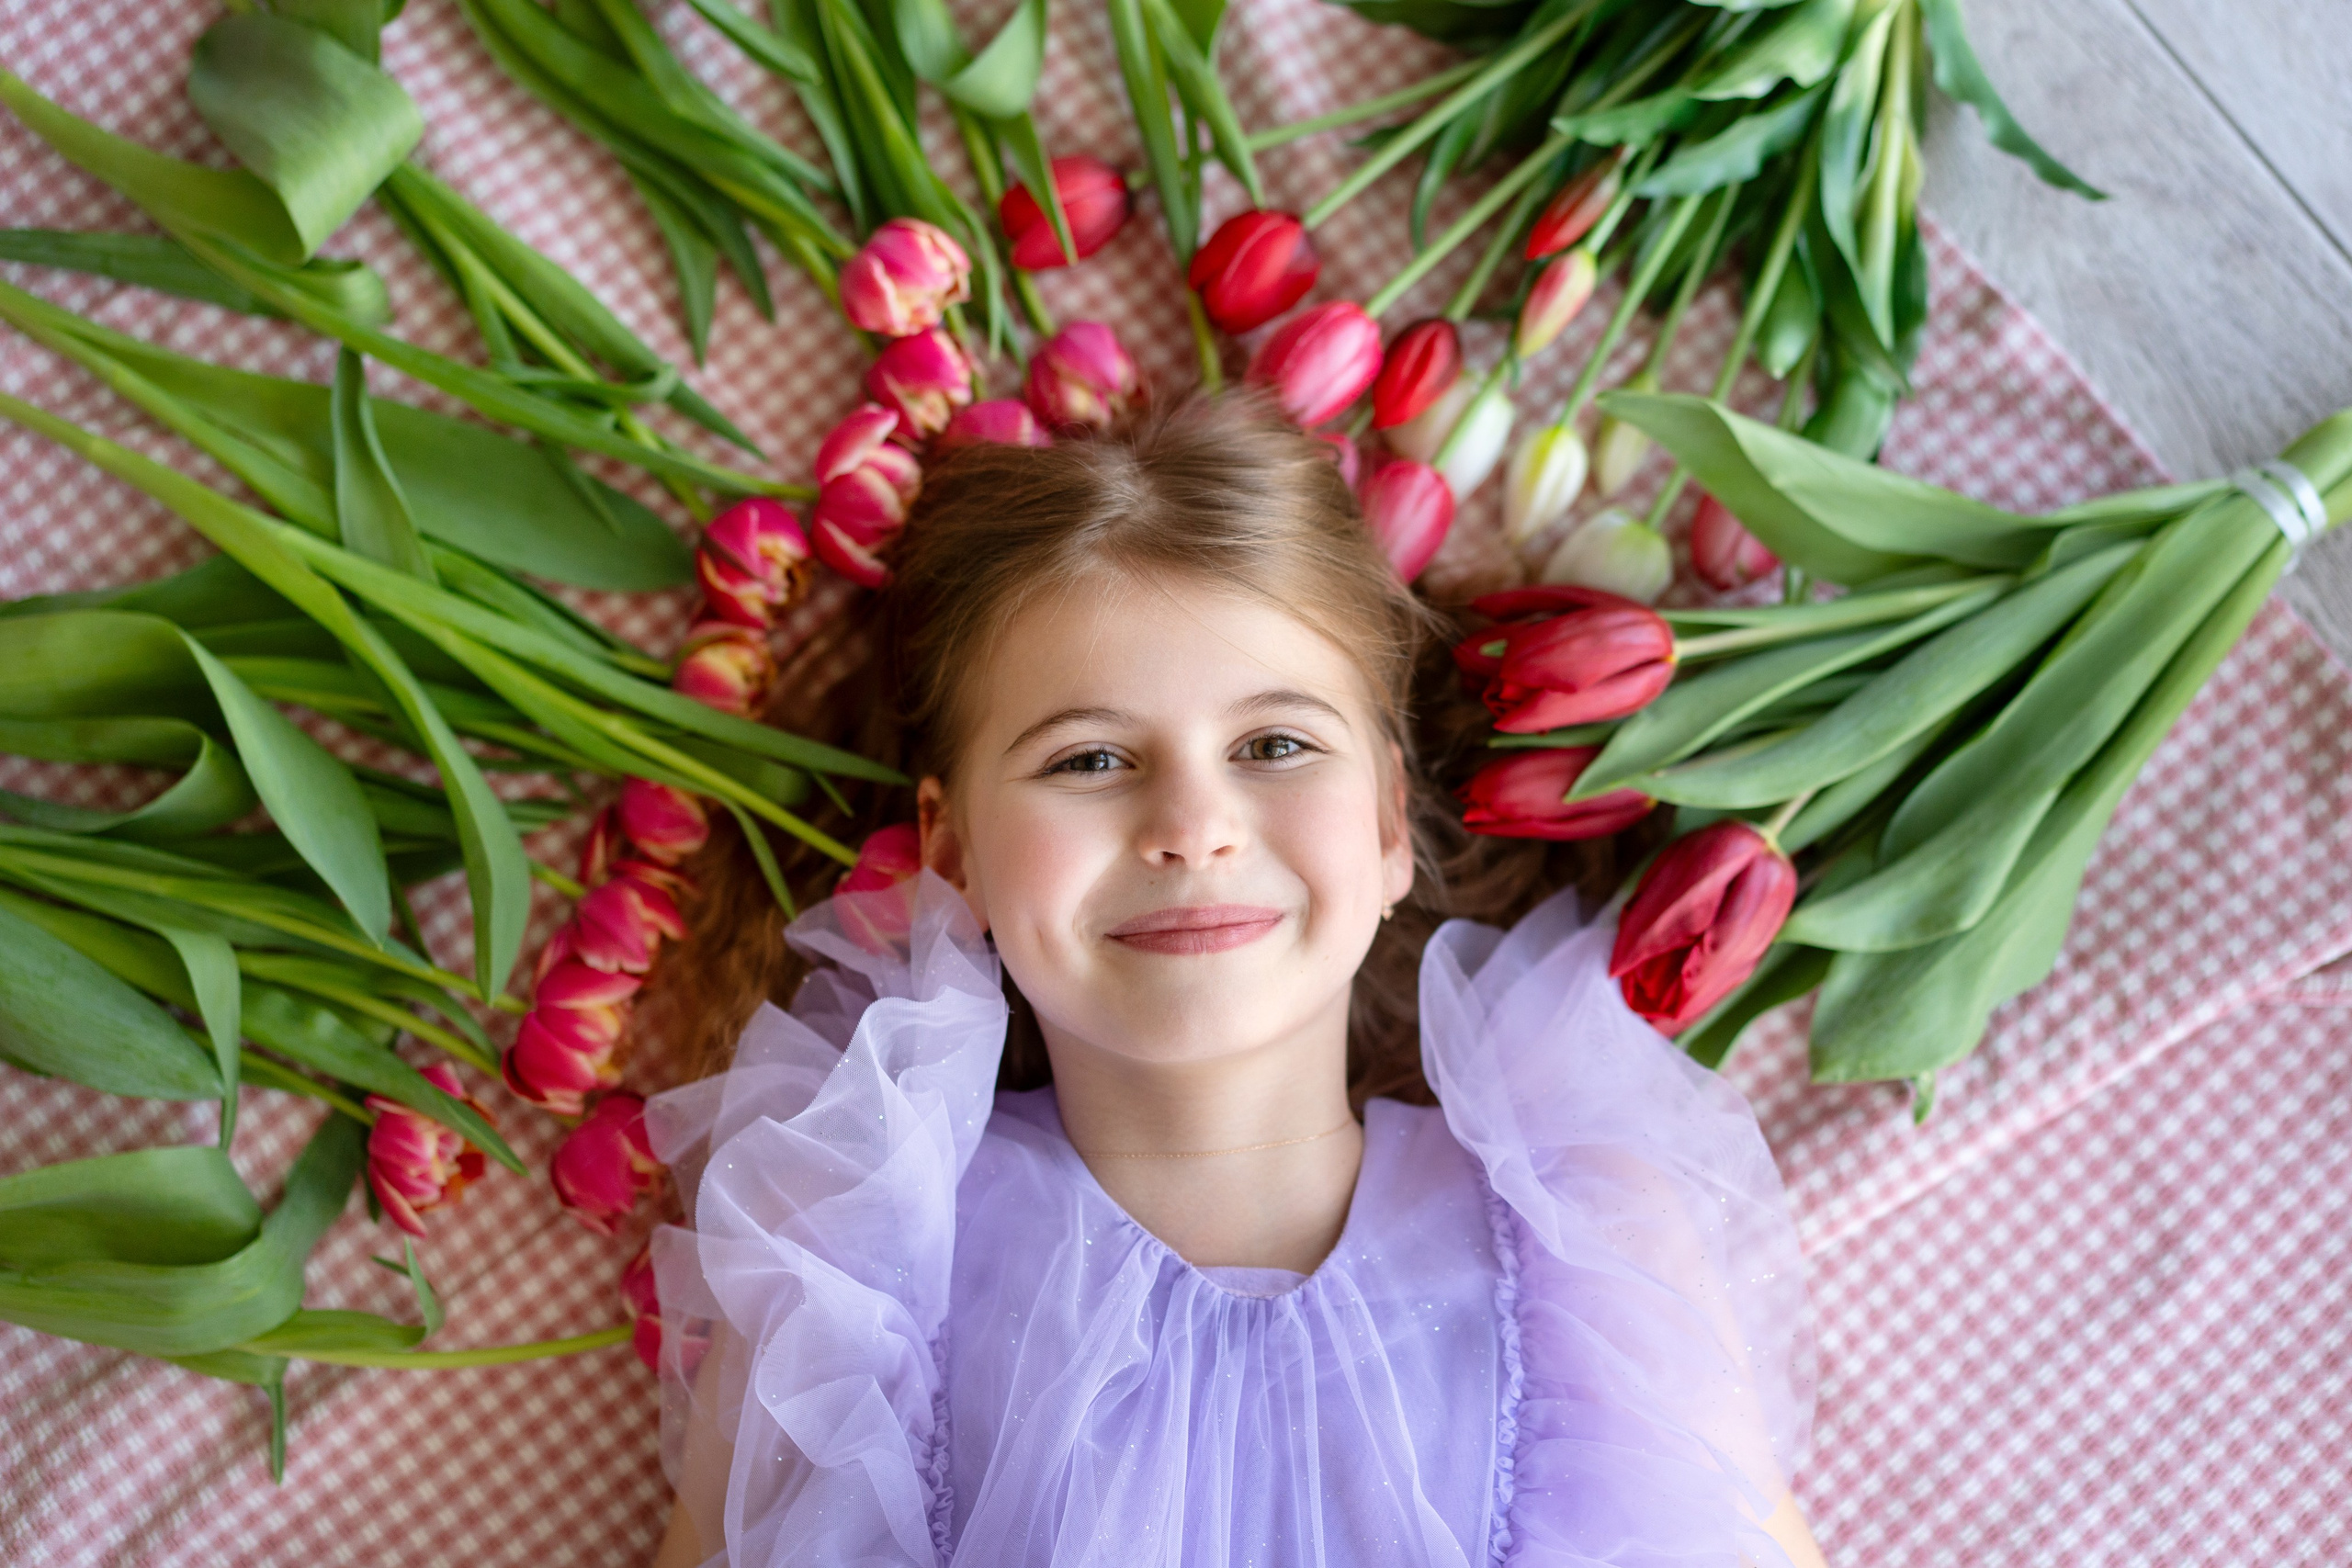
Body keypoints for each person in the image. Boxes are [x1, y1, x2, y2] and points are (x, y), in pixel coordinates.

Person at [640, 391, 1826, 1567]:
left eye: (1274, 746)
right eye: (1089, 759)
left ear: (1386, 825)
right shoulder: (860, 1262)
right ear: (953, 857)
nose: (1193, 827)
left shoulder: (1584, 1240)